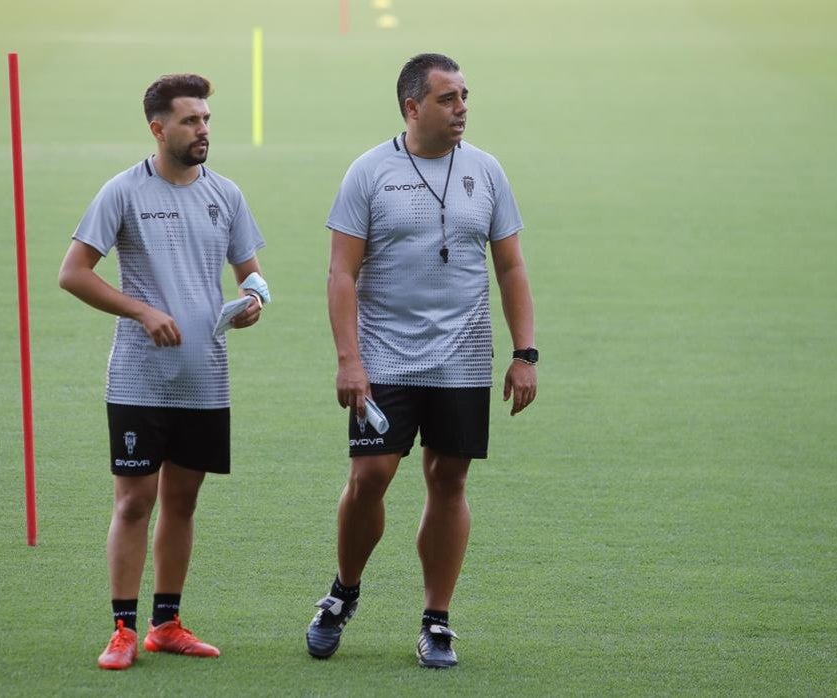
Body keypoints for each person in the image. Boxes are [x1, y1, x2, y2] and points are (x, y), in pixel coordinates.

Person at [306, 53, 537, 669]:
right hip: (383, 357)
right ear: (413, 108)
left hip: (462, 358)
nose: (462, 107)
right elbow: (341, 272)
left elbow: (510, 265)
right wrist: (348, 360)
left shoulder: (486, 171)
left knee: (449, 481)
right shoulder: (369, 172)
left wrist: (524, 354)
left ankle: (436, 620)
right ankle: (344, 591)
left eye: (464, 96)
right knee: (370, 477)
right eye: (448, 98)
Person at [58, 73, 267, 671]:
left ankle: (166, 624)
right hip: (138, 377)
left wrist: (254, 300)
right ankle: (122, 629)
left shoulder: (225, 194)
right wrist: (141, 310)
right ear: (158, 128)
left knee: (183, 500)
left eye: (206, 119)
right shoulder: (122, 192)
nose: (203, 130)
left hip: (204, 375)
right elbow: (73, 273)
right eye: (190, 121)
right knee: (133, 501)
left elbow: (251, 272)